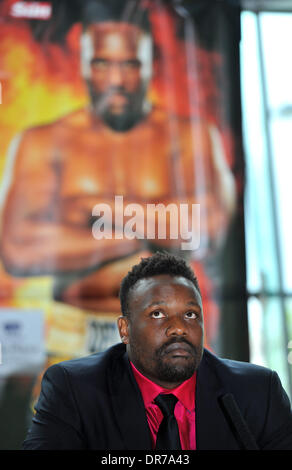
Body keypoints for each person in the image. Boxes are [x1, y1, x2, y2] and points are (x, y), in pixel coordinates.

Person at [0, 1, 235, 315]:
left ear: (151, 63)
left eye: (130, 64)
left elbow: (208, 229)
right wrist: (140, 239)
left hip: (167, 326)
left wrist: (91, 209)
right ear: (83, 63)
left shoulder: (190, 136)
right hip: (70, 327)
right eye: (101, 63)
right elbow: (18, 248)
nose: (117, 80)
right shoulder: (42, 141)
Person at [22, 251, 292, 450]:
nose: (178, 329)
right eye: (158, 314)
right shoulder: (74, 390)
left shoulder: (257, 392)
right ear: (125, 329)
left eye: (190, 314)